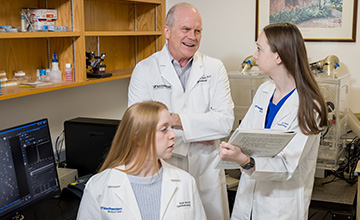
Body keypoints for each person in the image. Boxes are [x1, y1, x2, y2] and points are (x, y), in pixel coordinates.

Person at [128, 2, 234, 220]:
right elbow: (139, 127)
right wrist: (202, 131)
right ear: (167, 31)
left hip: (207, 170)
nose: (192, 37)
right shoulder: (145, 70)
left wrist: (173, 120)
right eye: (186, 29)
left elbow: (224, 123)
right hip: (164, 167)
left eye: (198, 31)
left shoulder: (214, 68)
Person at [220, 23, 328, 220]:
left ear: (278, 56)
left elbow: (287, 166)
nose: (254, 55)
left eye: (259, 49)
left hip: (280, 207)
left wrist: (245, 161)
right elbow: (243, 138)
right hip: (248, 201)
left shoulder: (309, 107)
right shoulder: (264, 91)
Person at [77, 101, 206, 220]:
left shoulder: (185, 182)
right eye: (164, 129)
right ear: (138, 138)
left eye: (171, 127)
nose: (173, 135)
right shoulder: (99, 186)